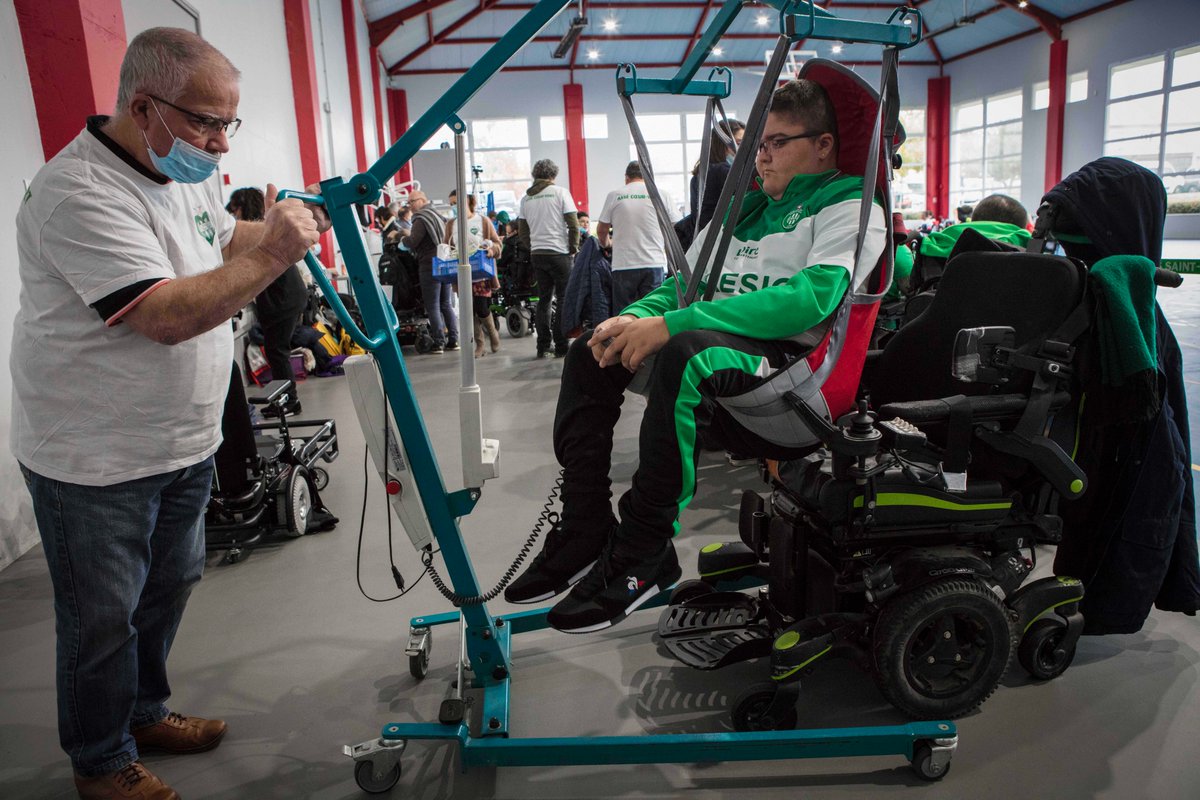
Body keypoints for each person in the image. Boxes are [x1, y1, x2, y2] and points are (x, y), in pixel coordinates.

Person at [10, 27, 328, 800]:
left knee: (170, 583)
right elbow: (162, 314)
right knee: (101, 619)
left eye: (229, 124)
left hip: (180, 438)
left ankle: (144, 711)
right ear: (142, 105)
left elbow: (225, 239)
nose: (220, 144)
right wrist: (277, 256)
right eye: (205, 122)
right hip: (94, 455)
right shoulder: (78, 192)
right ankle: (100, 759)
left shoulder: (178, 171)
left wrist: (307, 226)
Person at [503, 78, 886, 633]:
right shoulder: (745, 209)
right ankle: (585, 524)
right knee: (592, 351)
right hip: (724, 358)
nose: (762, 156)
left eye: (777, 142)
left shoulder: (851, 202)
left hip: (796, 376)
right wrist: (636, 317)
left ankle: (643, 548)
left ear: (822, 145)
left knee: (688, 352)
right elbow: (686, 285)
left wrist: (678, 322)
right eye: (759, 144)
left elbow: (812, 298)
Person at [227, 187, 307, 416]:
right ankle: (286, 398)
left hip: (283, 298)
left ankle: (289, 401)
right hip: (287, 296)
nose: (234, 216)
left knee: (276, 351)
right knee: (277, 350)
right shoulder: (263, 228)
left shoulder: (256, 234)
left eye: (235, 210)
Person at [597, 161, 681, 311]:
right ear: (647, 176)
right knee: (653, 310)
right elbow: (678, 227)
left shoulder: (615, 195)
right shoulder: (661, 194)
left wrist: (607, 245)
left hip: (623, 264)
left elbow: (602, 230)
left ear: (626, 177)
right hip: (654, 263)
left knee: (624, 313)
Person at [518, 159, 579, 358]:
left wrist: (533, 247)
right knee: (563, 298)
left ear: (535, 175)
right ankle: (562, 345)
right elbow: (573, 224)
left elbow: (523, 231)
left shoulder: (526, 199)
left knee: (543, 300)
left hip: (538, 254)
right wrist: (572, 248)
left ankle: (542, 345)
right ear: (553, 175)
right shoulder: (560, 192)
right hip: (559, 253)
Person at [443, 193, 503, 357]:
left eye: (457, 202)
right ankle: (480, 344)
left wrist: (492, 250)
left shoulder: (483, 221)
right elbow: (446, 244)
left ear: (468, 203)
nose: (454, 206)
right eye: (452, 203)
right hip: (461, 274)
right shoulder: (451, 224)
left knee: (482, 308)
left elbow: (497, 243)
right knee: (469, 310)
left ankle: (493, 334)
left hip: (481, 273)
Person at [401, 190, 459, 353]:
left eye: (412, 202)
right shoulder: (438, 216)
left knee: (432, 305)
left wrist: (402, 238)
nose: (410, 206)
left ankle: (439, 342)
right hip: (443, 263)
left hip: (429, 265)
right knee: (445, 304)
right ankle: (453, 340)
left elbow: (413, 241)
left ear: (422, 200)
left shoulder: (421, 219)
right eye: (409, 203)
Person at [689, 118, 746, 230]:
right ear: (721, 143)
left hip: (704, 237)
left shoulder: (699, 174)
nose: (741, 149)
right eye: (738, 143)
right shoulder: (724, 172)